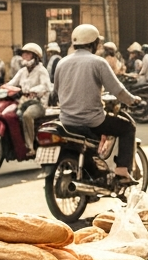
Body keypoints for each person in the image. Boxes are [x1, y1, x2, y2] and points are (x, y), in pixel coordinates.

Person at [53, 23, 140, 184]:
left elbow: (56, 92)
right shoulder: (98, 62)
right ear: (93, 44)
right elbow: (117, 90)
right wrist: (132, 100)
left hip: (66, 121)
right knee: (128, 127)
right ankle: (121, 171)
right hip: (92, 121)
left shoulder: (62, 63)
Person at [11, 42, 53, 150]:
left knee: (27, 115)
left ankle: (29, 146)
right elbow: (12, 82)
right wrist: (0, 88)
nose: (24, 56)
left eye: (27, 54)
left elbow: (46, 86)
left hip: (38, 103)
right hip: (24, 101)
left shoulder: (41, 70)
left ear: (35, 57)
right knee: (12, 115)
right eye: (23, 54)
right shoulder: (22, 71)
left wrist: (33, 90)